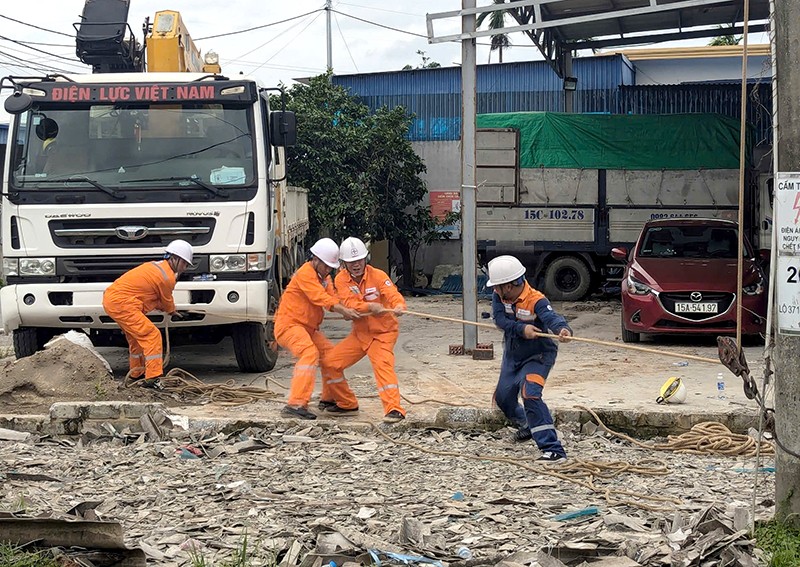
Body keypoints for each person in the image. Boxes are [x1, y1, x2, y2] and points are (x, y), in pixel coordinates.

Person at [486, 255, 572, 463]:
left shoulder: (536, 299)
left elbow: (552, 317)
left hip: (539, 355)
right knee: (503, 399)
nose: (494, 290)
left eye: (497, 287)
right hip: (513, 355)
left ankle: (553, 449)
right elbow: (499, 320)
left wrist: (563, 329)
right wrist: (521, 329)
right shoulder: (499, 297)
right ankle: (528, 424)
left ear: (508, 286)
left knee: (530, 393)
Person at [275, 238, 362, 420]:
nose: (329, 269)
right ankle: (296, 403)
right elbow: (319, 297)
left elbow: (332, 298)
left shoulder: (324, 277)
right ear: (315, 260)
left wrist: (349, 308)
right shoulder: (305, 274)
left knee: (331, 357)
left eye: (331, 267)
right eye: (327, 266)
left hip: (309, 329)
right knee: (309, 353)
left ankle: (334, 399)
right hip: (289, 326)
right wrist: (342, 309)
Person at [323, 237, 407, 423]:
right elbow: (349, 303)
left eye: (359, 260)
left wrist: (399, 306)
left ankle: (394, 409)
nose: (356, 265)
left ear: (365, 259)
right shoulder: (342, 280)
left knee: (383, 367)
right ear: (344, 263)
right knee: (330, 363)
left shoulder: (378, 275)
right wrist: (370, 307)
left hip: (383, 334)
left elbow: (392, 294)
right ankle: (346, 403)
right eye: (352, 262)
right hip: (360, 335)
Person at [102, 240, 193, 388]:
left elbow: (150, 296)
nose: (185, 268)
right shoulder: (167, 277)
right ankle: (153, 377)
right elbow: (166, 300)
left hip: (113, 300)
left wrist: (168, 308)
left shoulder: (156, 267)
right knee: (152, 335)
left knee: (136, 340)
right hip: (122, 304)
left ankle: (135, 374)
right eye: (185, 264)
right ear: (176, 259)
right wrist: (171, 311)